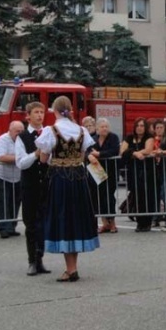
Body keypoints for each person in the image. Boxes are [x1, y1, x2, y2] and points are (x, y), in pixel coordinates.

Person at [36, 96, 98, 282]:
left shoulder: (51, 130)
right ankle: (73, 267)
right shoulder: (81, 130)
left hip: (60, 178)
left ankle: (70, 269)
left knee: (63, 218)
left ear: (54, 110)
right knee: (76, 218)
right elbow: (85, 152)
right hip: (78, 178)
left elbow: (43, 160)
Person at [15, 102, 51, 276]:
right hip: (29, 185)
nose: (39, 115)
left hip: (45, 184)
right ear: (28, 115)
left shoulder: (48, 133)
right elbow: (20, 162)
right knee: (30, 224)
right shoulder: (22, 137)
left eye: (42, 112)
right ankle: (32, 260)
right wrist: (35, 154)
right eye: (36, 112)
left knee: (43, 223)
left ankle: (40, 258)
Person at [121, 118, 155, 232]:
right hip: (133, 171)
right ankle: (139, 222)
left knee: (147, 196)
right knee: (136, 196)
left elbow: (148, 149)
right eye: (138, 125)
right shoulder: (129, 138)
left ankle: (147, 222)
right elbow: (122, 151)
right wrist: (135, 153)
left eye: (142, 125)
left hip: (146, 171)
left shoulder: (148, 138)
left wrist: (137, 153)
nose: (139, 127)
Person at [88, 117, 120, 234]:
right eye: (102, 126)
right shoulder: (93, 139)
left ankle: (112, 223)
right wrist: (89, 156)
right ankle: (104, 223)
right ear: (97, 128)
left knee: (109, 196)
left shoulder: (113, 137)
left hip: (110, 169)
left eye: (106, 126)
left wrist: (99, 154)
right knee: (98, 196)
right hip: (96, 170)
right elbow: (86, 150)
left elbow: (115, 151)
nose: (104, 128)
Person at [0, 121, 24, 239]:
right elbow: (1, 157)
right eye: (17, 131)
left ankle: (12, 226)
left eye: (22, 131)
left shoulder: (22, 140)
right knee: (3, 202)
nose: (20, 134)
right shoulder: (3, 139)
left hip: (17, 176)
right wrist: (19, 159)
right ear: (10, 130)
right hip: (3, 175)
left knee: (15, 202)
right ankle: (3, 228)